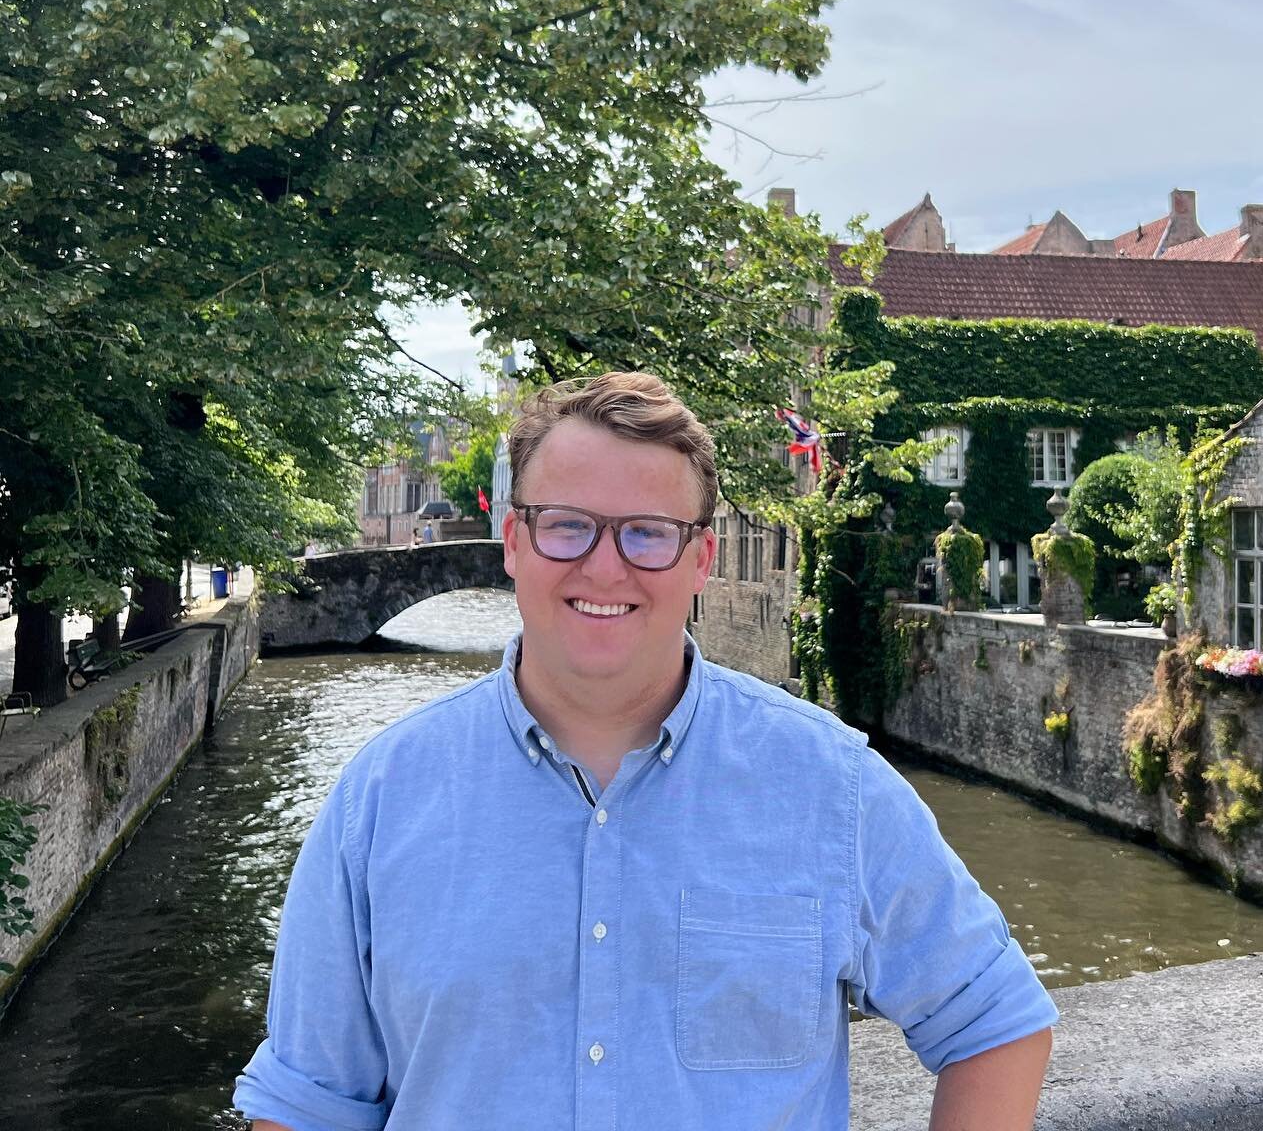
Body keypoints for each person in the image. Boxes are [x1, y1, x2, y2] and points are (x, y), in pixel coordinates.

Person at [235, 372, 1056, 1130]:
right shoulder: (380, 800)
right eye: (566, 526)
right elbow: (308, 1100)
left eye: (648, 534)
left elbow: (995, 1023)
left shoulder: (828, 787)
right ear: (512, 544)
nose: (604, 565)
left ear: (700, 558)